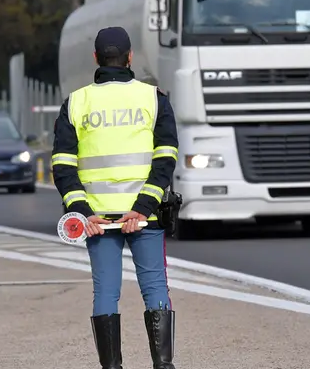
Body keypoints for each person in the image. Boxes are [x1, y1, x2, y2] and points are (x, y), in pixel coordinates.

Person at [51, 26, 179, 369]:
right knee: (154, 288)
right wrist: (143, 207)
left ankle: (112, 367)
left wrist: (81, 210)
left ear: (96, 58)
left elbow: (62, 165)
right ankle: (163, 366)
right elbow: (166, 158)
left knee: (106, 293)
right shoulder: (153, 98)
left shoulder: (76, 102)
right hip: (145, 219)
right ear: (130, 58)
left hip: (97, 221)